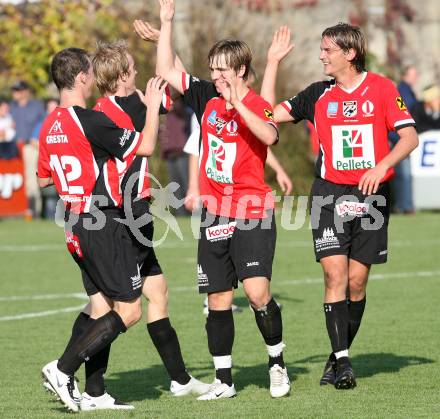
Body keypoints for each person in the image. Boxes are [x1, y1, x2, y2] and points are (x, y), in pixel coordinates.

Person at [137, 0, 291, 400]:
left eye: (223, 69)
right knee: (217, 298)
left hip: (253, 210)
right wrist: (167, 23)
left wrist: (238, 102)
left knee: (257, 293)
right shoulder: (205, 96)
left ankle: (276, 363)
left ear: (240, 70)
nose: (216, 75)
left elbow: (271, 136)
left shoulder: (256, 103)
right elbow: (167, 70)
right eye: (213, 68)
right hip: (215, 211)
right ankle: (224, 381)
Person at [262, 23, 418, 389]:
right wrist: (272, 63)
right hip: (329, 196)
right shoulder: (317, 94)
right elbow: (267, 113)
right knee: (334, 276)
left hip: (373, 198)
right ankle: (345, 364)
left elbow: (409, 137)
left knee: (357, 283)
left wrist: (382, 166)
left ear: (349, 53)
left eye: (327, 50)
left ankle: (336, 355)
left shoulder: (381, 88)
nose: (321, 56)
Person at [39, 47, 167, 412]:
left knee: (100, 308)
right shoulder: (88, 120)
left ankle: (94, 393)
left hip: (73, 223)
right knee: (129, 310)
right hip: (101, 223)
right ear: (81, 78)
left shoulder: (49, 124)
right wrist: (153, 106)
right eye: (91, 73)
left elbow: (45, 178)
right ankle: (62, 369)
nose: (94, 78)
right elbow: (146, 146)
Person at [10, 80, 45, 218]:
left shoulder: (36, 107)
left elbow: (43, 123)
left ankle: (34, 211)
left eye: (17, 90)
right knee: (15, 179)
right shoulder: (11, 107)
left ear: (25, 91)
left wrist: (34, 137)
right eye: (14, 90)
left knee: (31, 180)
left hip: (30, 147)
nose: (14, 93)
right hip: (12, 149)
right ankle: (16, 211)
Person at [389, 64, 419, 214]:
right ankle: (405, 206)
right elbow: (403, 117)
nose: (416, 78)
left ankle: (402, 205)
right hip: (399, 139)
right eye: (413, 74)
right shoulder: (403, 92)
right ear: (404, 75)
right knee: (403, 174)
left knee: (401, 175)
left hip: (399, 138)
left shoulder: (407, 91)